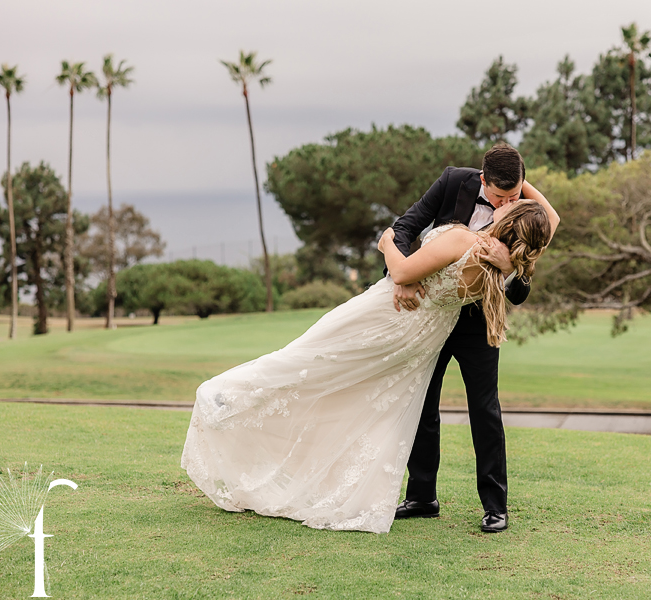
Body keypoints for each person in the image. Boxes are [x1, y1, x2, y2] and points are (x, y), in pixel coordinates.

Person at [181, 195, 558, 534]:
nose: (510, 199)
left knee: (307, 359)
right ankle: (415, 495)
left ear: (511, 220)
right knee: (358, 394)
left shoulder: (468, 243)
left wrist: (387, 245)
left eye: (514, 201)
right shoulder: (501, 265)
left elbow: (402, 272)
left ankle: (225, 397)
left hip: (389, 316)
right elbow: (550, 220)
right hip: (423, 336)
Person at [391, 142, 552, 532]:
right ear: (483, 180)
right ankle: (422, 496)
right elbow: (405, 227)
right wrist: (402, 280)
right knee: (424, 402)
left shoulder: (526, 211)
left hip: (480, 320)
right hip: (431, 313)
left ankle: (496, 507)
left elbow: (521, 288)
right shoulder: (452, 182)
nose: (504, 206)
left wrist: (510, 268)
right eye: (499, 197)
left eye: (514, 196)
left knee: (485, 409)